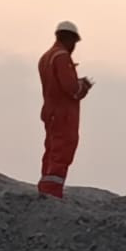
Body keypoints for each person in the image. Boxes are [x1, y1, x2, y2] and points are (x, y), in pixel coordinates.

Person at [37, 21, 93, 198]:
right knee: (62, 151)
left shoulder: (47, 57)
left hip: (51, 111)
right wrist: (83, 86)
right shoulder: (61, 57)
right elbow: (71, 89)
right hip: (63, 114)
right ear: (70, 39)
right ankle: (52, 192)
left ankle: (45, 188)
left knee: (51, 150)